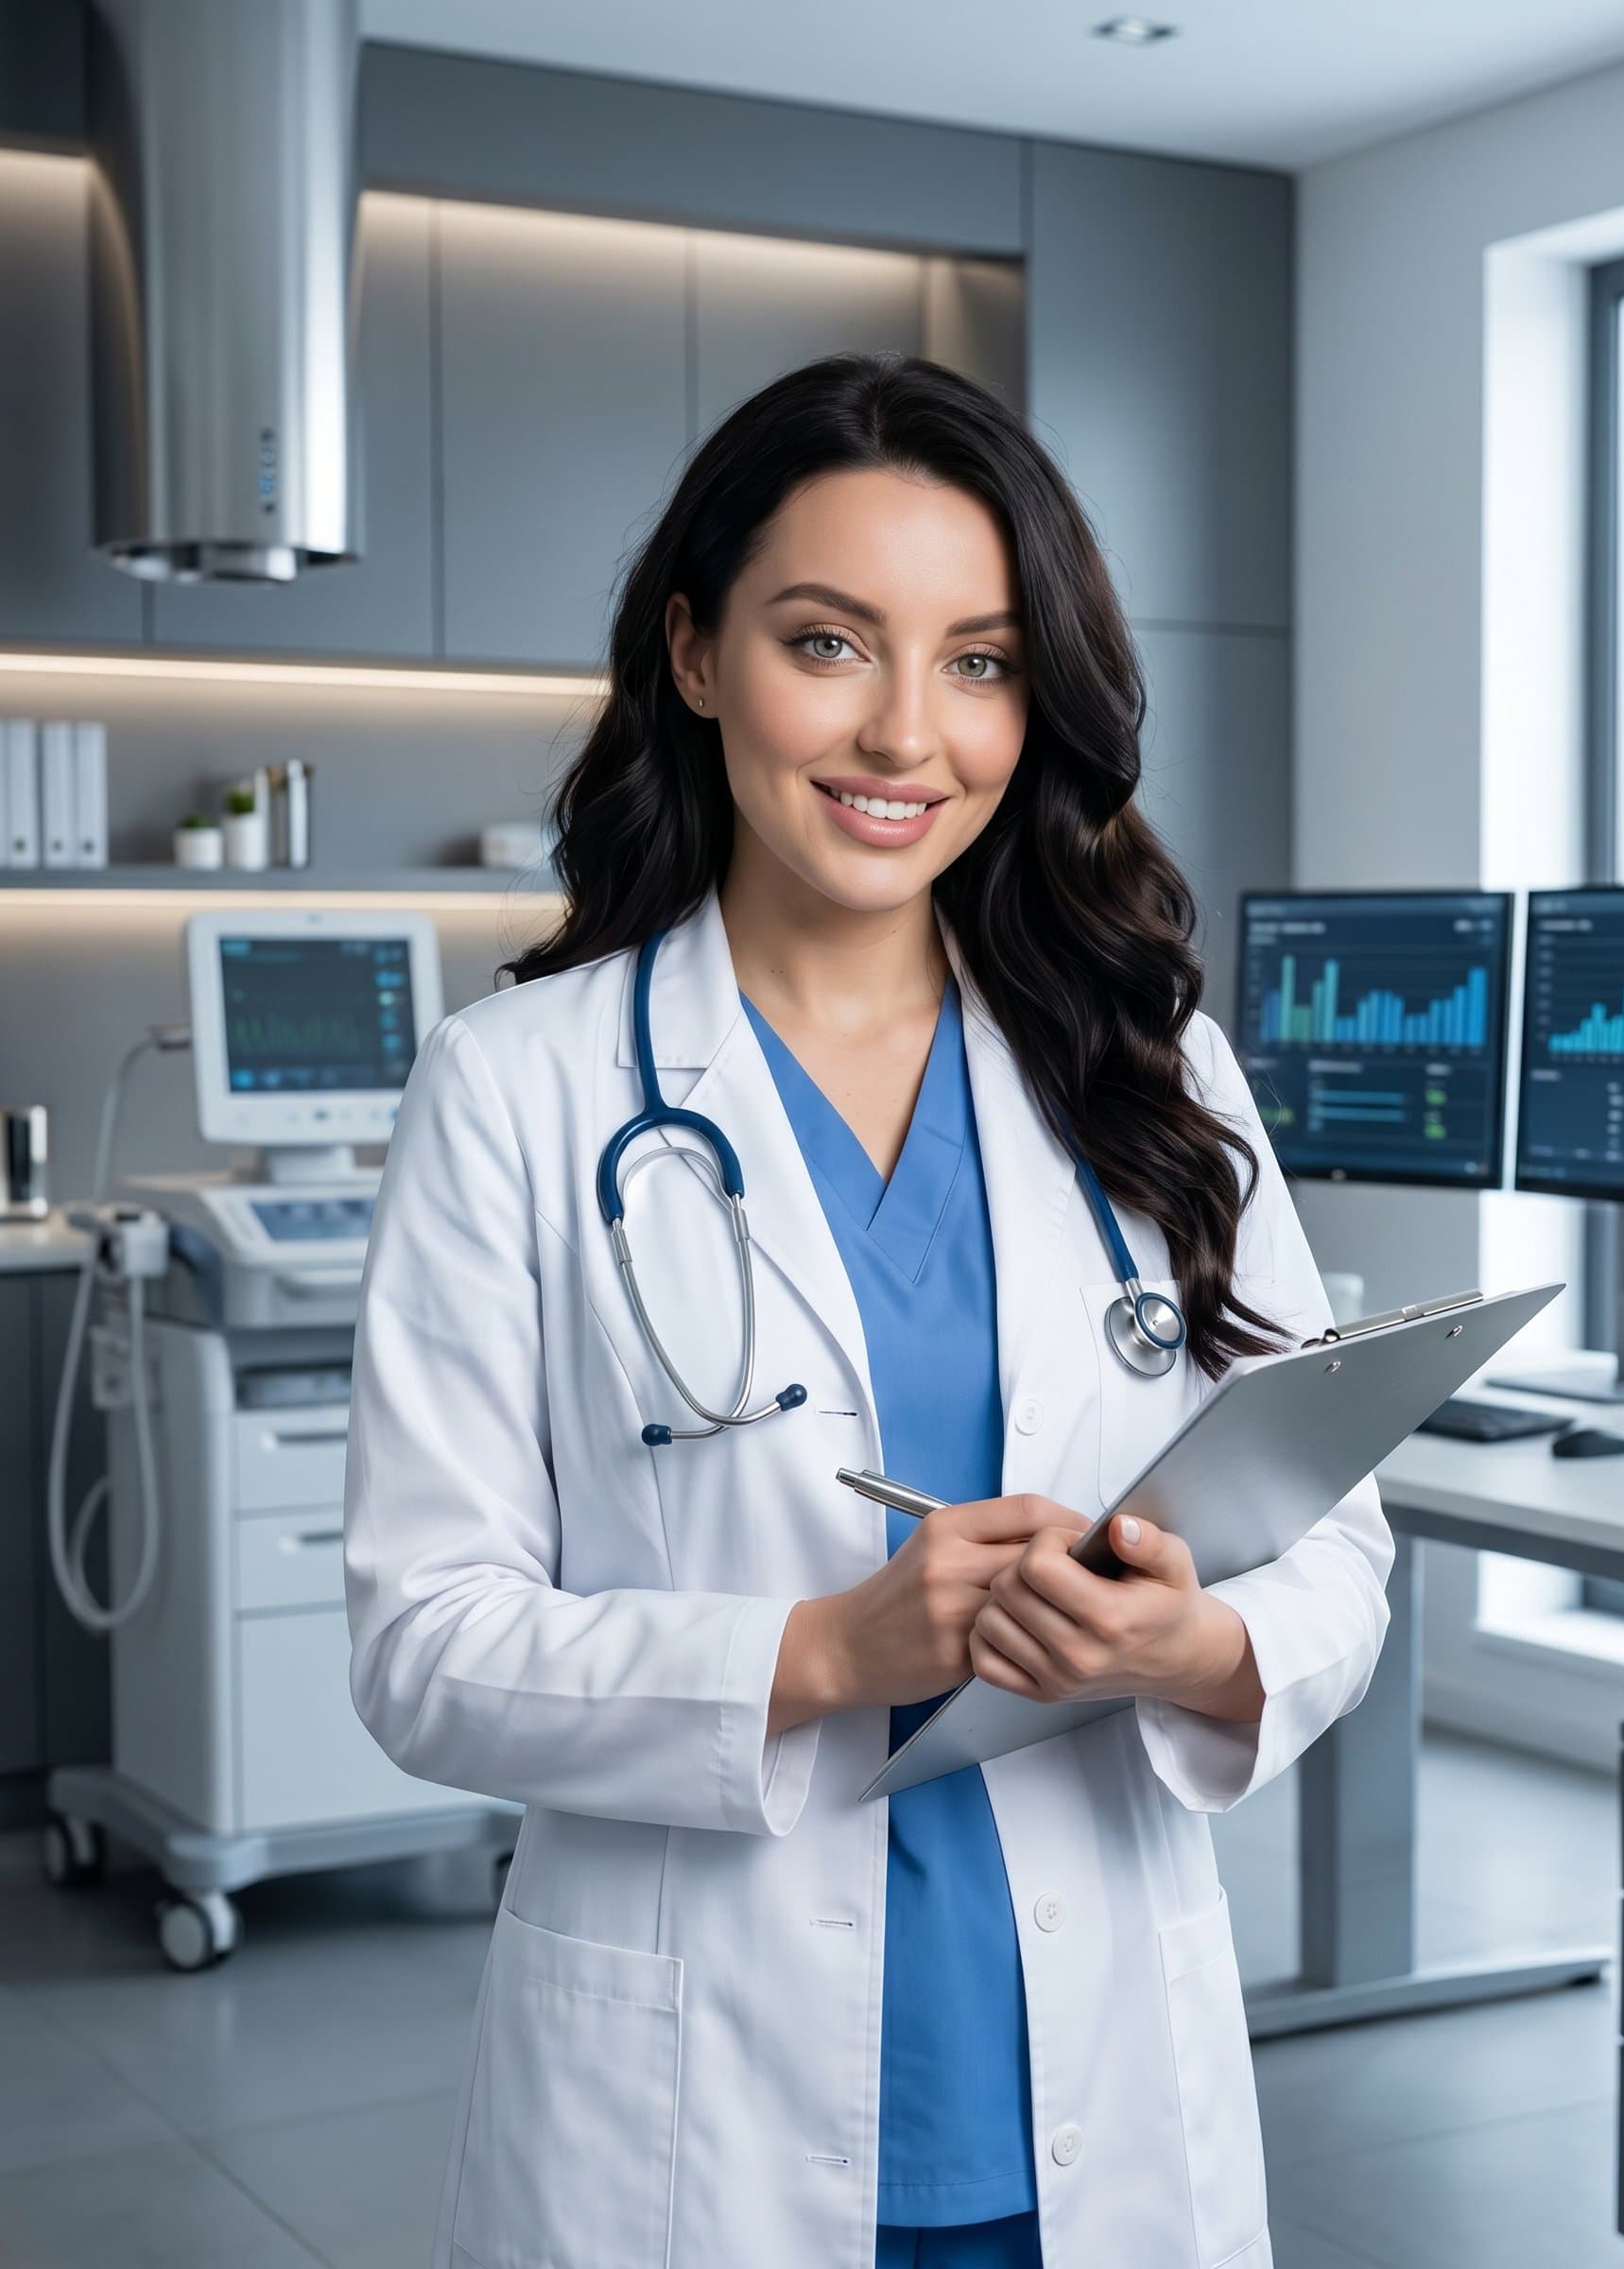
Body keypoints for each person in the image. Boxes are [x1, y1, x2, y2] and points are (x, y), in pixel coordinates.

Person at [342, 350, 1393, 2269]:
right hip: (686, 2120)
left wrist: (1180, 1649)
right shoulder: (520, 1087)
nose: (907, 733)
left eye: (981, 662)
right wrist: (822, 1652)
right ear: (691, 651)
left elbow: (1333, 1555)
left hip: (1096, 2096)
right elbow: (424, 1642)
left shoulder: (1145, 1067)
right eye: (828, 643)